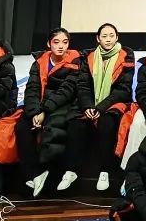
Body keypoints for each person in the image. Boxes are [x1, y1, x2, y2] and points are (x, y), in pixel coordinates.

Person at [16, 27, 92, 197]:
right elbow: (32, 88)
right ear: (48, 44)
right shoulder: (39, 62)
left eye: (65, 42)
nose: (61, 46)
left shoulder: (77, 61)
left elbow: (67, 90)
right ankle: (34, 174)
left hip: (63, 104)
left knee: (56, 125)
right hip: (41, 105)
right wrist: (34, 112)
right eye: (56, 42)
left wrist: (44, 111)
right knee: (22, 126)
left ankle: (57, 172)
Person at [61, 23, 135, 193]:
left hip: (114, 102)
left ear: (117, 37)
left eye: (111, 36)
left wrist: (100, 108)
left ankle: (105, 171)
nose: (108, 39)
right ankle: (71, 171)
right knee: (76, 123)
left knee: (107, 123)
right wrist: (88, 106)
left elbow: (123, 90)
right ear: (98, 38)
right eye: (104, 36)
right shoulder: (89, 57)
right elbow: (83, 85)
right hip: (90, 102)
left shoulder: (126, 57)